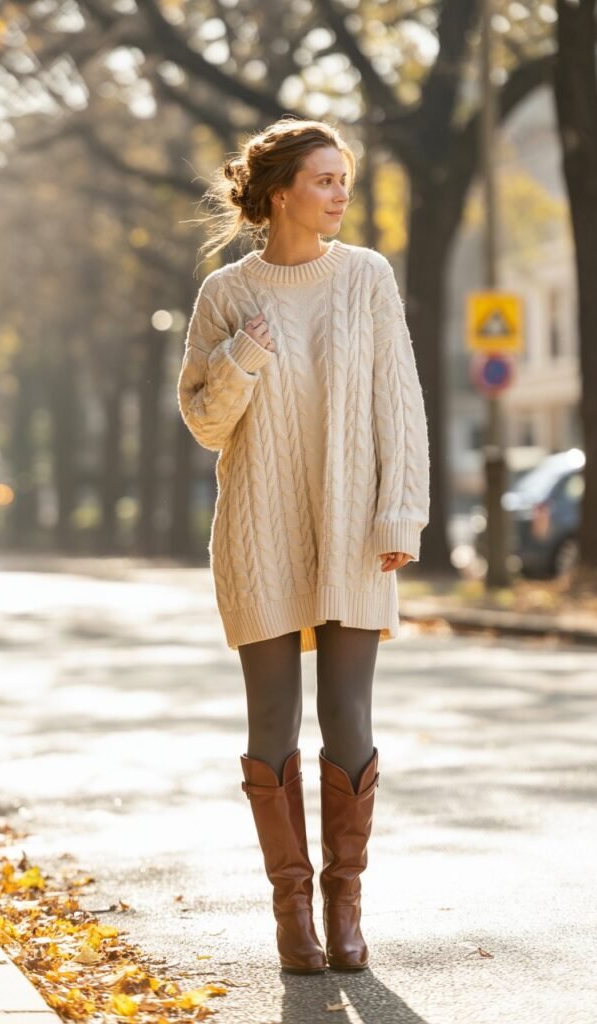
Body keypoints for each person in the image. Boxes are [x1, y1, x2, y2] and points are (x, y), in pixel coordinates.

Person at [177, 117, 430, 975]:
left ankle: (344, 903)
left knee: (349, 714)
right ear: (280, 192)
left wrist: (400, 514)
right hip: (259, 530)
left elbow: (400, 399)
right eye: (325, 179)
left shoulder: (367, 278)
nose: (341, 192)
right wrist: (243, 355)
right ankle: (293, 914)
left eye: (345, 177)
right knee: (271, 721)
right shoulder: (225, 294)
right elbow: (206, 423)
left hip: (355, 527)